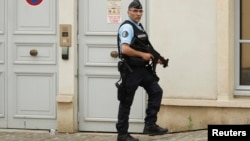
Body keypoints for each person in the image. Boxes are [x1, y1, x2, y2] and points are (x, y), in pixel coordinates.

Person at [116, 0, 168, 141]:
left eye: (140, 11)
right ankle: (122, 134)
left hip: (141, 69)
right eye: (135, 11)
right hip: (130, 69)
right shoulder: (127, 27)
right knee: (126, 101)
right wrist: (143, 55)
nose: (138, 14)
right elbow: (125, 48)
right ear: (128, 12)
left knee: (156, 91)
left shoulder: (139, 27)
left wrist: (155, 58)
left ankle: (150, 125)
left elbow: (143, 47)